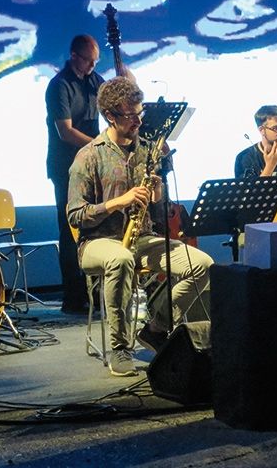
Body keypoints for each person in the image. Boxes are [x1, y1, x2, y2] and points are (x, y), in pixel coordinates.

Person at [68, 77, 212, 377]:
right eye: (130, 115)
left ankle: (156, 325)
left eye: (139, 113)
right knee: (121, 259)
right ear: (110, 116)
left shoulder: (148, 151)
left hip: (141, 237)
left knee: (202, 264)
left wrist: (158, 195)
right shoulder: (89, 155)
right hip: (98, 241)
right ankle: (120, 347)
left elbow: (160, 211)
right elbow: (76, 216)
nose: (138, 121)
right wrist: (117, 202)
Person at [45, 34, 133, 314]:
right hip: (66, 166)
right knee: (70, 230)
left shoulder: (94, 81)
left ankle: (99, 292)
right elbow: (66, 131)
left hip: (95, 166)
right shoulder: (59, 85)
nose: (93, 66)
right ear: (74, 56)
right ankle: (73, 297)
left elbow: (118, 98)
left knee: (99, 225)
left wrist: (126, 79)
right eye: (88, 61)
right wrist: (100, 145)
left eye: (96, 61)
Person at [234, 104, 277, 179]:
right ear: (262, 130)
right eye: (275, 128)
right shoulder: (244, 158)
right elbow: (250, 187)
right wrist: (270, 166)